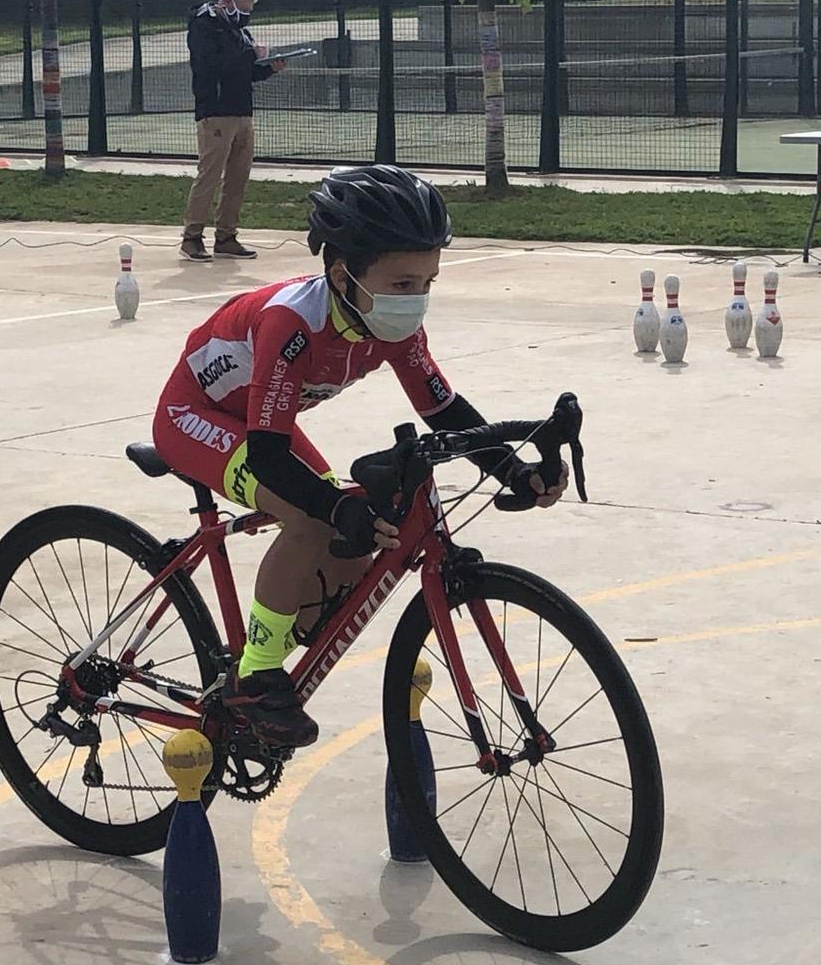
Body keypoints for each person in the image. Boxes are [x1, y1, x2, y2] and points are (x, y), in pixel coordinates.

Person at [150, 165, 567, 747]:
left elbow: (444, 410)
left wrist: (512, 467)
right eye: (402, 284)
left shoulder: (387, 322)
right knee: (312, 515)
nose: (416, 299)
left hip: (258, 423)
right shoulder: (291, 324)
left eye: (428, 281)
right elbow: (269, 459)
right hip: (194, 417)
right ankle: (254, 676)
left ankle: (280, 637)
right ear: (345, 274)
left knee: (359, 528)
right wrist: (329, 507)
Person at [181, 0, 286, 262]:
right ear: (227, 2)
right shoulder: (205, 25)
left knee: (237, 178)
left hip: (242, 110)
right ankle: (192, 237)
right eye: (243, 8)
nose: (245, 16)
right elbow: (210, 65)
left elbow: (245, 70)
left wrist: (267, 67)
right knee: (210, 175)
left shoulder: (239, 31)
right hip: (215, 111)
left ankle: (226, 236)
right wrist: (247, 55)